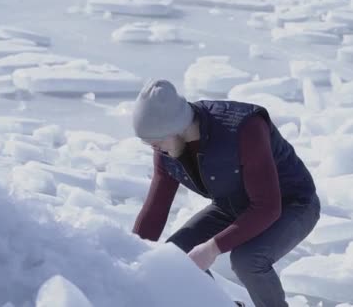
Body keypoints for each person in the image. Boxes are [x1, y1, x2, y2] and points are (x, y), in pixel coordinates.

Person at [131, 79, 320, 307]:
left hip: (292, 203)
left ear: (178, 127)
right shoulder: (166, 148)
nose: (155, 148)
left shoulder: (244, 128)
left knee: (247, 260)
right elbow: (156, 209)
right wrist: (131, 254)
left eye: (157, 141)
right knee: (176, 255)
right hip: (232, 203)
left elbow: (268, 206)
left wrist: (212, 248)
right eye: (149, 144)